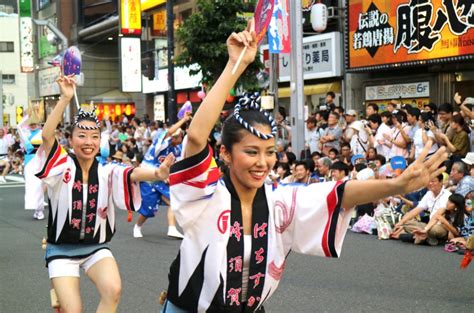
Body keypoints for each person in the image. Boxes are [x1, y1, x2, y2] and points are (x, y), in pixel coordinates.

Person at [160, 22, 448, 312]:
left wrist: (395, 185)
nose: (263, 162)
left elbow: (339, 193)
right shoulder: (206, 194)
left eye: (270, 152)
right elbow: (197, 136)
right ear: (225, 153)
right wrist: (234, 65)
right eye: (251, 152)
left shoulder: (279, 202)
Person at [37, 75, 174, 313]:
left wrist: (158, 173)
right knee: (73, 310)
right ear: (70, 140)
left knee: (113, 290)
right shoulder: (62, 165)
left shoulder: (107, 170)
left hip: (96, 247)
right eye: (81, 136)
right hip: (61, 250)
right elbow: (48, 136)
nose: (88, 142)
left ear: (100, 141)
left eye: (94, 137)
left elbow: (132, 173)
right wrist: (65, 98)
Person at [133, 114, 192, 239]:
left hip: (161, 179)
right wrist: (184, 119)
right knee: (148, 209)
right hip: (148, 177)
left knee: (174, 201)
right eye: (179, 136)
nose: (181, 137)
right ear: (174, 138)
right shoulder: (161, 145)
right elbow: (169, 132)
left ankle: (172, 228)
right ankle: (137, 226)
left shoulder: (177, 150)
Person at [392, 174, 451, 243]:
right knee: (406, 222)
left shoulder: (447, 195)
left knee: (434, 230)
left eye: (433, 181)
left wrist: (425, 229)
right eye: (429, 181)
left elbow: (437, 215)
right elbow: (417, 209)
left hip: (441, 226)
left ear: (441, 182)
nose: (430, 183)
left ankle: (422, 236)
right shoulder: (429, 194)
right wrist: (400, 223)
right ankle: (426, 237)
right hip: (428, 225)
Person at [17, 115, 46, 219]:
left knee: (39, 185)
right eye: (31, 124)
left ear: (38, 125)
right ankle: (36, 209)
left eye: (35, 124)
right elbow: (19, 128)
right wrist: (26, 117)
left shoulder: (42, 133)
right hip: (29, 162)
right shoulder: (26, 134)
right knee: (31, 186)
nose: (33, 126)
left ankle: (40, 210)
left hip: (40, 161)